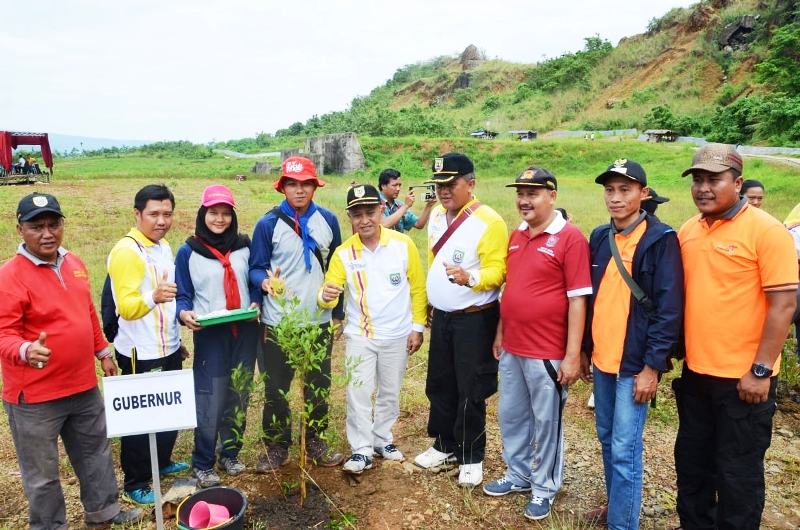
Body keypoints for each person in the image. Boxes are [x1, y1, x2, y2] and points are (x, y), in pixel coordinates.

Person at [0, 192, 143, 529]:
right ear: (20, 229)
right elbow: (4, 332)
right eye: (37, 227)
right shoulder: (10, 276)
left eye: (53, 224)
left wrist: (103, 351)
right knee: (42, 475)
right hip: (35, 397)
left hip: (82, 386)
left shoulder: (74, 263)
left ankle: (105, 513)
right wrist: (25, 350)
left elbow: (87, 312)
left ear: (62, 225)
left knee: (96, 456)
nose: (47, 233)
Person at [674, 144, 797, 530]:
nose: (703, 188)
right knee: (693, 468)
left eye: (714, 180)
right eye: (698, 180)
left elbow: (783, 306)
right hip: (696, 375)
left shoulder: (767, 231)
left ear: (738, 183)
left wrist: (760, 371)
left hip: (744, 382)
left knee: (737, 475)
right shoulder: (688, 230)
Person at [482, 167, 591, 520]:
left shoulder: (570, 237)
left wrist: (572, 355)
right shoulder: (517, 235)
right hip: (513, 346)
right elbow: (510, 289)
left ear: (552, 196)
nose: (524, 200)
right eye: (520, 193)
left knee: (547, 422)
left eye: (533, 193)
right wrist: (500, 331)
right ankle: (518, 475)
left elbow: (578, 299)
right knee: (511, 415)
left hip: (547, 351)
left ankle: (544, 487)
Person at [581, 159, 684, 530]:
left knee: (625, 450)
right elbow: (592, 299)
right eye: (610, 190)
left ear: (643, 193)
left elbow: (669, 309)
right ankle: (617, 508)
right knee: (608, 440)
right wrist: (584, 350)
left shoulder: (660, 239)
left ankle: (623, 525)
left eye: (625, 190)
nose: (616, 197)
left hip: (634, 364)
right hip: (603, 360)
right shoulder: (599, 237)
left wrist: (652, 367)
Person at [412, 152, 508, 488]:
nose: (443, 191)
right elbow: (435, 263)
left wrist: (471, 278)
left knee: (471, 387)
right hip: (442, 317)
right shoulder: (437, 215)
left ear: (471, 183)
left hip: (474, 319)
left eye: (451, 184)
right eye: (438, 184)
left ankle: (471, 454)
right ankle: (444, 444)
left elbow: (498, 271)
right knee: (440, 382)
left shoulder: (489, 222)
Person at [318, 184, 427, 474]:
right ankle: (361, 449)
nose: (364, 220)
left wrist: (417, 327)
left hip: (397, 334)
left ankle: (382, 439)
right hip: (360, 335)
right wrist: (324, 296)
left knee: (390, 392)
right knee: (359, 392)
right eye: (357, 215)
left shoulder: (403, 245)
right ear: (350, 218)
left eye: (370, 212)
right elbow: (327, 291)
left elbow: (417, 289)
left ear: (381, 210)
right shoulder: (343, 253)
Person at [249, 156, 346, 471]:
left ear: (315, 186)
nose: (299, 190)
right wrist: (265, 282)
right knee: (276, 388)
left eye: (306, 183)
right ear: (283, 186)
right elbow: (255, 268)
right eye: (292, 184)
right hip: (278, 323)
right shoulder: (268, 224)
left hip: (317, 321)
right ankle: (277, 447)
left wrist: (337, 314)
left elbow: (337, 270)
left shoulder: (329, 221)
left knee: (318, 385)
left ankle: (315, 441)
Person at [107, 184, 189, 506]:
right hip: (140, 352)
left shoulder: (162, 246)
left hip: (166, 345)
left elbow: (168, 301)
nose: (161, 221)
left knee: (168, 411)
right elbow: (125, 307)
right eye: (154, 214)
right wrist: (151, 297)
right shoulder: (129, 252)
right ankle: (136, 481)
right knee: (141, 419)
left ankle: (163, 460)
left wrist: (176, 340)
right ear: (137, 214)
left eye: (167, 214)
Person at [175, 185, 261, 488]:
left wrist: (256, 300)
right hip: (211, 336)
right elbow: (182, 296)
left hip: (245, 331)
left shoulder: (245, 246)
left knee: (239, 393)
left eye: (226, 213)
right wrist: (184, 314)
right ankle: (203, 462)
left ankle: (230, 453)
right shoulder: (188, 252)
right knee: (209, 398)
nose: (220, 219)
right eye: (213, 212)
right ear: (203, 214)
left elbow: (254, 280)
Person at [378, 168, 436, 232]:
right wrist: (406, 206)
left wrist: (429, 205)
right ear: (383, 186)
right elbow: (383, 225)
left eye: (399, 185)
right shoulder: (375, 204)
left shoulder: (399, 205)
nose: (398, 189)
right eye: (394, 185)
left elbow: (419, 224)